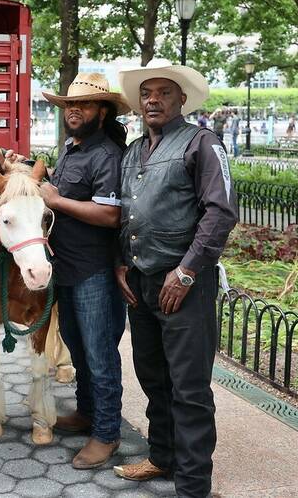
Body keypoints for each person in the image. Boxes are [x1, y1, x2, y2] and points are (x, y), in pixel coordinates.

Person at [113, 59, 238, 498]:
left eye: (164, 92)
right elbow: (124, 213)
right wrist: (120, 262)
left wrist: (186, 271)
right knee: (152, 376)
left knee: (189, 386)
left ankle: (192, 485)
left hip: (184, 284)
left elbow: (220, 213)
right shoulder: (132, 151)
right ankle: (162, 455)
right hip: (143, 282)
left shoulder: (202, 143)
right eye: (147, 93)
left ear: (181, 99)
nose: (153, 100)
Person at [38, 72, 128, 469]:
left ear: (102, 111)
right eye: (69, 105)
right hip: (66, 268)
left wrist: (56, 201)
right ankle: (87, 412)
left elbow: (110, 214)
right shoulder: (72, 149)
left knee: (99, 354)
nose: (74, 111)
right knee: (76, 347)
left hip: (95, 272)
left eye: (84, 105)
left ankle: (107, 433)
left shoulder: (106, 154)